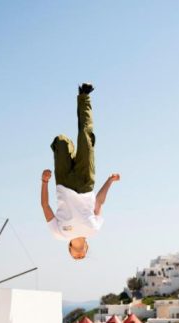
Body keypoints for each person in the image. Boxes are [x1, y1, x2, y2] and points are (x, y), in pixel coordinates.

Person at [41, 83, 120, 259]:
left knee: (60, 142)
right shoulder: (94, 229)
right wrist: (110, 181)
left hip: (64, 182)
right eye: (82, 256)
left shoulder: (59, 234)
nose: (79, 256)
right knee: (86, 138)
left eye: (75, 256)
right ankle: (84, 95)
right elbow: (99, 202)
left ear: (69, 249)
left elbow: (45, 206)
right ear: (86, 247)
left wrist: (44, 182)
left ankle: (67, 146)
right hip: (85, 184)